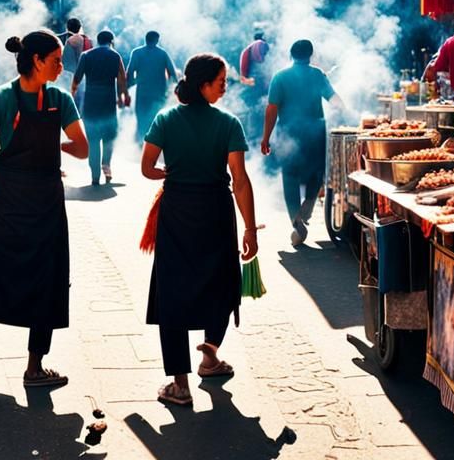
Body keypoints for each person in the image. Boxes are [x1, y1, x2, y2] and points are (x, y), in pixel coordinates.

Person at [0, 31, 89, 387]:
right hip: (39, 197)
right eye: (57, 60)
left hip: (16, 196)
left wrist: (2, 156)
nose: (62, 67)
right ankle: (33, 368)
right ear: (37, 61)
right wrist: (55, 145)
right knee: (42, 276)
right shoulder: (54, 100)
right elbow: (81, 148)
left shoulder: (3, 99)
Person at [141, 53, 258, 407]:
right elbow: (239, 180)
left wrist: (170, 175)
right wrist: (250, 229)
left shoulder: (165, 119)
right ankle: (211, 353)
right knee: (221, 282)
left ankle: (180, 384)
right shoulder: (228, 123)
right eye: (221, 82)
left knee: (173, 291)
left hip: (177, 211)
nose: (225, 88)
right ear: (204, 84)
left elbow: (147, 166)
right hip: (215, 212)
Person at [261, 40, 341, 247]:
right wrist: (345, 111)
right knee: (317, 172)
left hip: (289, 133)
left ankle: (296, 220)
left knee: (290, 176)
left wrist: (265, 137)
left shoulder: (280, 77)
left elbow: (272, 109)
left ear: (290, 54)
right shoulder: (317, 75)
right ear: (311, 54)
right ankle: (308, 205)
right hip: (315, 132)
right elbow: (335, 100)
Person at [73, 30, 129, 186]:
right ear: (111, 41)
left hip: (90, 103)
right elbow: (122, 80)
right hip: (108, 103)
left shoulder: (86, 55)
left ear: (98, 40)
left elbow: (77, 79)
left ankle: (95, 175)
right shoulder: (115, 56)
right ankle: (106, 164)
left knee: (93, 140)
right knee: (109, 137)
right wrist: (123, 97)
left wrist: (72, 93)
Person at [127, 30, 179, 142]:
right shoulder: (162, 53)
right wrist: (174, 88)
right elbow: (173, 73)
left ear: (146, 39)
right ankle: (154, 144)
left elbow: (130, 72)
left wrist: (131, 84)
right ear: (157, 40)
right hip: (159, 93)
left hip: (143, 92)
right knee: (156, 119)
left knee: (141, 117)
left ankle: (141, 144)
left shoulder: (137, 52)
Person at [238, 28, 270, 142]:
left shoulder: (246, 51)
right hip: (260, 87)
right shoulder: (260, 45)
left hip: (250, 87)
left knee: (253, 114)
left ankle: (254, 141)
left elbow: (243, 75)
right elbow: (264, 65)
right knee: (262, 114)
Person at [59, 17, 91, 107]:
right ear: (80, 27)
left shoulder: (59, 38)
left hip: (65, 75)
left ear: (67, 27)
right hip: (82, 77)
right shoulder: (87, 41)